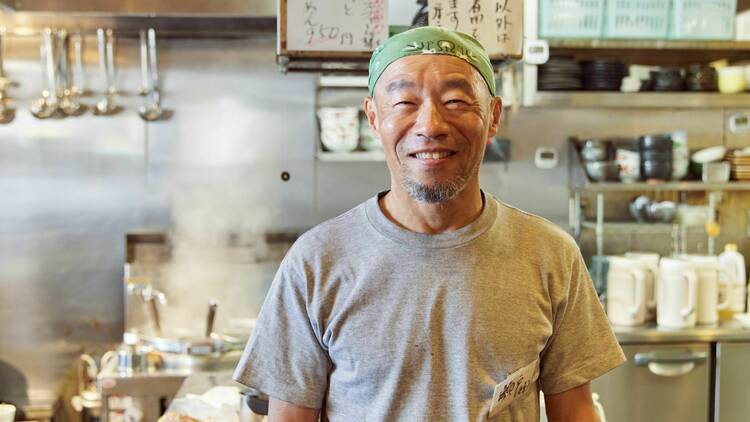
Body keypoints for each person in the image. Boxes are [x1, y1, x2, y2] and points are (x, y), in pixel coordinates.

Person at [234, 26, 625, 422]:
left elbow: (576, 411)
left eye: (456, 101)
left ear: (492, 117)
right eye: (404, 102)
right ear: (373, 117)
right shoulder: (316, 262)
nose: (430, 125)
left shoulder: (550, 254)